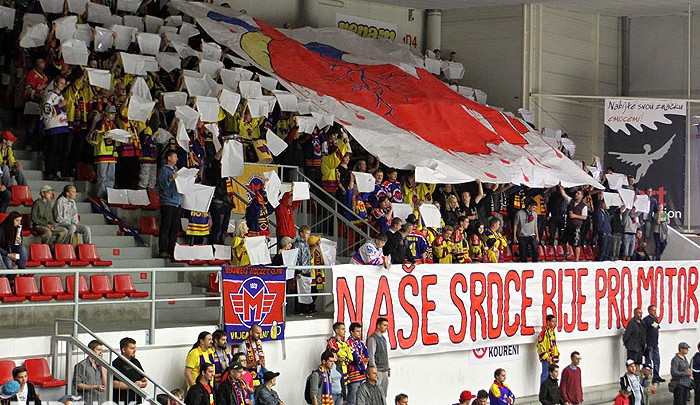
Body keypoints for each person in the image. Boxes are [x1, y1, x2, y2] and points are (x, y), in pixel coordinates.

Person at [89, 104, 118, 199]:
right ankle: (100, 195)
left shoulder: (114, 125)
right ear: (105, 113)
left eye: (114, 114)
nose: (113, 116)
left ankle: (108, 194)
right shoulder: (100, 123)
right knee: (102, 175)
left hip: (112, 153)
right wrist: (102, 134)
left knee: (111, 175)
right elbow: (93, 136)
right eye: (111, 114)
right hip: (102, 153)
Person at [158, 150, 183, 259]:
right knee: (165, 227)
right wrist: (170, 178)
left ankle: (172, 249)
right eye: (175, 156)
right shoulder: (164, 170)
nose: (176, 159)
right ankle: (163, 249)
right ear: (169, 158)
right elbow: (162, 185)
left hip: (177, 202)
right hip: (168, 202)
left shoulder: (176, 170)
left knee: (174, 229)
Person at [112, 337, 147, 405]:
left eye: (135, 348)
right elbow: (114, 383)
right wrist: (133, 385)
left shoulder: (135, 362)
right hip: (122, 401)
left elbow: (142, 377)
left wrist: (143, 382)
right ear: (123, 350)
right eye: (131, 348)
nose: (134, 350)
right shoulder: (116, 363)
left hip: (136, 399)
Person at [558, 185, 587, 261]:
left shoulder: (584, 206)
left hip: (576, 226)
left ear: (582, 196)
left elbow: (584, 217)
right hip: (568, 225)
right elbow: (564, 195)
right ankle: (567, 252)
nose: (576, 194)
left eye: (578, 193)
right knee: (563, 240)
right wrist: (561, 187)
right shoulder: (571, 201)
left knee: (576, 243)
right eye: (576, 193)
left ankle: (576, 259)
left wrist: (575, 216)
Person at [74, 339, 107, 405]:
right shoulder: (82, 365)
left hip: (99, 400)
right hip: (86, 400)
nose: (100, 352)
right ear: (91, 351)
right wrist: (95, 387)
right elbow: (77, 385)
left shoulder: (99, 365)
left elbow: (105, 383)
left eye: (101, 350)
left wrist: (101, 366)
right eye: (98, 350)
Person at [327, 322, 353, 398]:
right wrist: (343, 356)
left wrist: (345, 357)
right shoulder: (332, 341)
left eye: (345, 329)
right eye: (342, 329)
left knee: (345, 393)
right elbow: (338, 353)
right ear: (336, 330)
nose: (345, 331)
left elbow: (350, 356)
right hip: (336, 368)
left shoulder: (345, 343)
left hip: (345, 369)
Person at [346, 322, 369, 405]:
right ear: (352, 332)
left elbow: (367, 355)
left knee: (362, 398)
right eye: (357, 331)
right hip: (353, 375)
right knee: (352, 399)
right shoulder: (348, 343)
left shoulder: (361, 343)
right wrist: (361, 358)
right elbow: (355, 359)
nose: (360, 333)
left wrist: (362, 358)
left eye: (360, 331)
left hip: (362, 374)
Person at [367, 317, 390, 398]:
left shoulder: (383, 339)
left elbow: (385, 355)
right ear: (378, 326)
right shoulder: (373, 338)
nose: (386, 327)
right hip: (378, 370)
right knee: (376, 393)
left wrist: (388, 368)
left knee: (383, 394)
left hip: (384, 369)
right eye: (384, 325)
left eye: (386, 325)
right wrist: (373, 369)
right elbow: (371, 354)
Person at [292, 225, 313, 314]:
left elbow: (308, 257)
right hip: (301, 270)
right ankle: (299, 309)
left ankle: (305, 308)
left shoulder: (306, 244)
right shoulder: (297, 244)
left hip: (307, 269)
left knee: (306, 290)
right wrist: (297, 271)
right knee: (299, 290)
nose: (308, 235)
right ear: (301, 233)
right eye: (307, 233)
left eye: (309, 234)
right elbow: (296, 258)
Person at [641, 305, 663, 383]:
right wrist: (645, 343)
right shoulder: (646, 320)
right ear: (649, 311)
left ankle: (656, 376)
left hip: (655, 344)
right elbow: (643, 332)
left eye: (655, 310)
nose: (654, 312)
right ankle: (648, 376)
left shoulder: (655, 319)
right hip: (649, 344)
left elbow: (657, 327)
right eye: (653, 310)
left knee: (657, 360)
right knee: (648, 361)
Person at [537, 315, 559, 383]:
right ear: (548, 322)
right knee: (545, 375)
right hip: (547, 359)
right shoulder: (544, 332)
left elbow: (554, 344)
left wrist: (557, 354)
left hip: (553, 358)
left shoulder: (552, 332)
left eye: (555, 321)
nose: (554, 323)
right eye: (552, 321)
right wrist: (546, 356)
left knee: (553, 375)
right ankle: (543, 392)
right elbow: (540, 345)